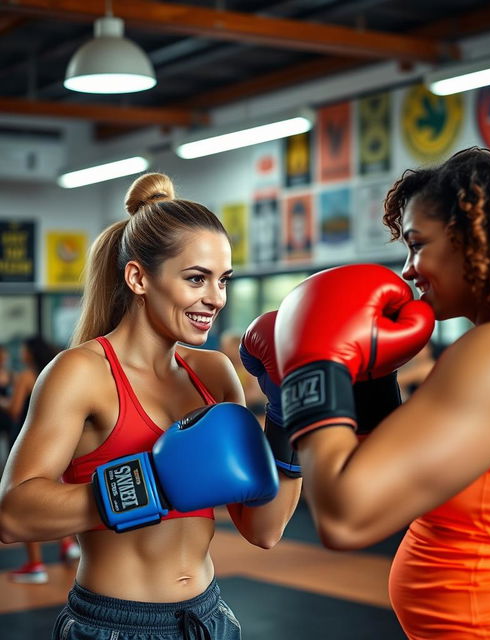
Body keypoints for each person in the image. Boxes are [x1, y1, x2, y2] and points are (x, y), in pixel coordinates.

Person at [247, 147, 490, 638]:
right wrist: (369, 378)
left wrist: (311, 367)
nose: (407, 269)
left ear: (476, 239)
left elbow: (346, 517)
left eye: (417, 244)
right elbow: (398, 472)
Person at [0, 173, 301, 639]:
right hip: (115, 625)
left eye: (223, 280)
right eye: (196, 279)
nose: (216, 298)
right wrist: (154, 483)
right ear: (138, 277)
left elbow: (264, 529)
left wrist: (288, 417)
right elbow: (13, 514)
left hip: (209, 618)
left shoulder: (216, 373)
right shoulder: (82, 372)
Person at [3, 335, 80, 584]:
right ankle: (67, 544)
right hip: (54, 441)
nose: (21, 352)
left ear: (30, 352)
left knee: (25, 498)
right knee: (53, 490)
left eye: (24, 348)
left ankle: (35, 564)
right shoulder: (53, 372)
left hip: (25, 439)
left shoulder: (26, 376)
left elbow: (15, 409)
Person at [219, 330, 266, 418]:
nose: (222, 349)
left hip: (251, 407)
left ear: (237, 347)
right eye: (223, 346)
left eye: (226, 347)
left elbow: (255, 394)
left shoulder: (250, 367)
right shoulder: (225, 367)